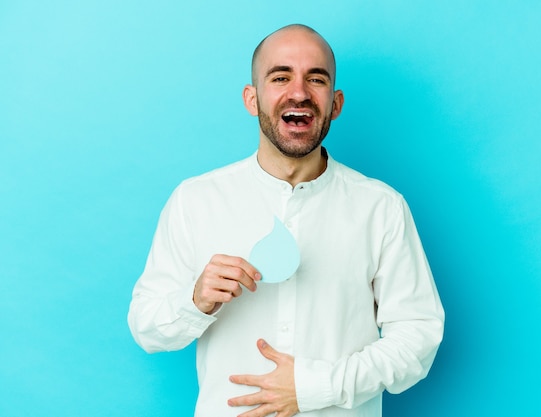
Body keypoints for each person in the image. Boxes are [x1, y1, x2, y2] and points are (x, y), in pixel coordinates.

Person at [128, 24, 444, 417]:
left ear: (336, 103)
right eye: (280, 77)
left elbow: (418, 337)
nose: (299, 92)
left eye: (316, 79)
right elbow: (146, 328)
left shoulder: (381, 207)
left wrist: (316, 387)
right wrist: (196, 301)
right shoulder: (195, 201)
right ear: (252, 98)